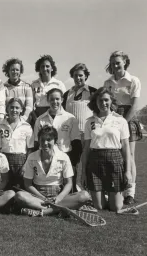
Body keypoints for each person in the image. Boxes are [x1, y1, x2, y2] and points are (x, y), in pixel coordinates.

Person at [14, 125, 90, 217]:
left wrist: (59, 198)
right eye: (42, 140)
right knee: (19, 196)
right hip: (38, 196)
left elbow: (69, 183)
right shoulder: (32, 157)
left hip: (58, 196)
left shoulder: (64, 157)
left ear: (55, 140)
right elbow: (28, 184)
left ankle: (44, 211)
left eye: (49, 139)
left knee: (84, 196)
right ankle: (59, 209)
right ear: (39, 141)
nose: (45, 143)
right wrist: (42, 197)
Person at [82, 87, 131, 212]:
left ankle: (112, 194)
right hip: (94, 160)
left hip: (114, 160)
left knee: (116, 207)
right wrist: (83, 172)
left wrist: (128, 171)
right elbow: (86, 148)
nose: (103, 103)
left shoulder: (120, 120)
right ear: (95, 103)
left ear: (111, 101)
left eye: (106, 100)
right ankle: (100, 194)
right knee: (99, 207)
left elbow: (125, 147)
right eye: (100, 101)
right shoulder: (89, 122)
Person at [103, 51, 142, 205]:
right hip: (112, 118)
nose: (115, 66)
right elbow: (105, 103)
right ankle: (113, 189)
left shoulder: (133, 80)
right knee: (112, 155)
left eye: (118, 62)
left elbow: (134, 106)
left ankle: (130, 193)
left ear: (125, 62)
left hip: (128, 118)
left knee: (129, 156)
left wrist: (123, 124)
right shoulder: (108, 83)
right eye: (112, 63)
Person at [33, 88, 82, 192]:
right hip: (45, 156)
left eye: (57, 99)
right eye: (51, 99)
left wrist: (74, 162)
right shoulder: (40, 119)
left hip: (66, 155)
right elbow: (37, 143)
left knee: (68, 188)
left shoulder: (70, 118)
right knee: (52, 186)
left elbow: (76, 142)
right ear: (47, 100)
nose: (54, 102)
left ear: (62, 100)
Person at [0, 98, 34, 188]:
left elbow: (30, 149)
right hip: (5, 159)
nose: (14, 110)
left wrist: (25, 166)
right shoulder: (0, 125)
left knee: (20, 187)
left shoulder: (26, 126)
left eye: (17, 108)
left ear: (21, 110)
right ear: (7, 109)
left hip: (21, 161)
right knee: (6, 186)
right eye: (12, 107)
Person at [29, 55, 66, 127]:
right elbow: (31, 105)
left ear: (52, 68)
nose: (45, 68)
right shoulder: (34, 84)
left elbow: (63, 104)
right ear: (39, 69)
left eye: (47, 66)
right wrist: (36, 119)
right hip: (38, 116)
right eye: (42, 66)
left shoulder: (59, 84)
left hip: (54, 116)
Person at [62, 63, 97, 141]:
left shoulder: (93, 92)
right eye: (75, 75)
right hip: (70, 137)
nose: (78, 78)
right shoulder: (66, 94)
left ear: (86, 76)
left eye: (80, 75)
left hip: (88, 136)